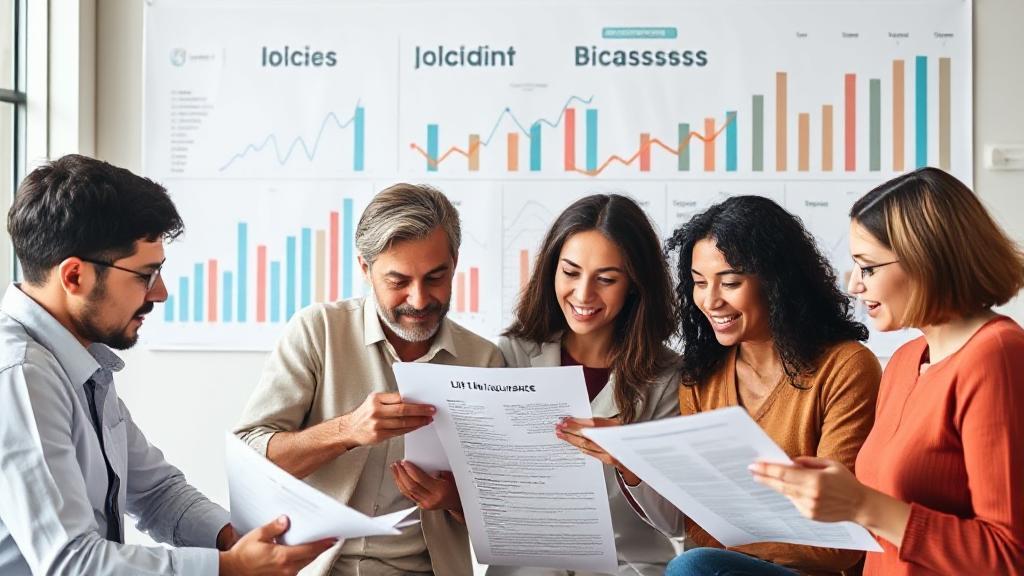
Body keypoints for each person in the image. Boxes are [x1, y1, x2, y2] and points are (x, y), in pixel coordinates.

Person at [0, 154, 333, 575]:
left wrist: (235, 538)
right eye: (145, 275)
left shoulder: (80, 360)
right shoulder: (21, 376)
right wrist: (229, 567)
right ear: (74, 277)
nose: (161, 293)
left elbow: (156, 492)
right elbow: (72, 563)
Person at [750, 167, 1024, 574]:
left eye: (868, 267)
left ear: (926, 260)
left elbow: (1009, 556)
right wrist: (832, 494)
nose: (854, 286)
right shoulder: (904, 361)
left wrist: (862, 504)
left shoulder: (997, 355)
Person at [234, 183, 504, 576]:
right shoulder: (318, 331)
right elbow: (248, 459)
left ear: (455, 263)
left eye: (435, 277)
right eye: (398, 281)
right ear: (365, 268)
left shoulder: (483, 361)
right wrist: (346, 430)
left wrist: (453, 499)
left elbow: (504, 506)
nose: (419, 299)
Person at [622, 195, 883, 575]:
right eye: (698, 283)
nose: (710, 300)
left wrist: (744, 541)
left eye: (730, 282)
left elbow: (836, 543)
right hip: (727, 567)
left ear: (776, 283)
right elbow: (701, 527)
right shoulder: (701, 379)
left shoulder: (845, 367)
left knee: (692, 567)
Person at [489, 194, 682, 575]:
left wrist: (629, 460)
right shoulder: (510, 355)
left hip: (626, 566)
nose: (582, 294)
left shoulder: (667, 377)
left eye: (606, 279)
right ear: (552, 270)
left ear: (634, 285)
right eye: (570, 272)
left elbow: (674, 522)